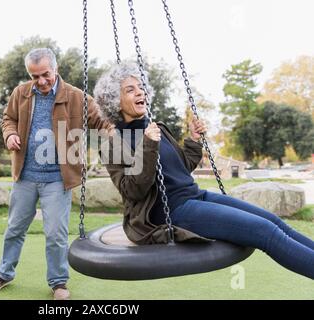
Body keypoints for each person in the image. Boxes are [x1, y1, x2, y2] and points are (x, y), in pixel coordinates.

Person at [93, 61, 314, 280]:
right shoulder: (113, 145)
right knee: (264, 232)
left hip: (196, 196)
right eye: (130, 90)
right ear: (115, 101)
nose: (139, 92)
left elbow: (181, 169)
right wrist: (149, 145)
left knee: (274, 222)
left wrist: (193, 140)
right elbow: (132, 191)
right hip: (170, 211)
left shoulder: (156, 128)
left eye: (141, 87)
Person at [0, 48, 113, 299]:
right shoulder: (20, 93)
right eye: (34, 76)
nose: (40, 81)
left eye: (45, 75)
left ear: (56, 69)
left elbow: (103, 121)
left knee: (55, 234)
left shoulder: (76, 97)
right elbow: (7, 118)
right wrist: (9, 134)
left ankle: (58, 283)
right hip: (25, 176)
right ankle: (4, 274)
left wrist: (118, 131)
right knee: (14, 229)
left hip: (57, 179)